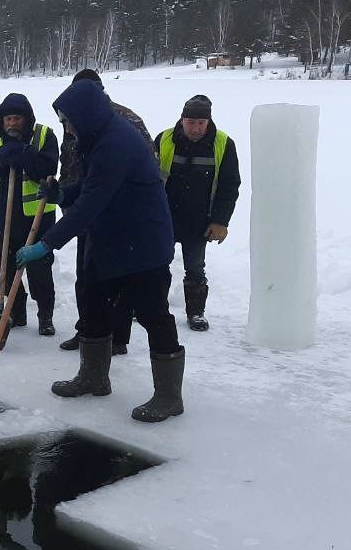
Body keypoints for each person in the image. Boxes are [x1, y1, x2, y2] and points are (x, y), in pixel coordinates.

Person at [16, 80, 185, 423]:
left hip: (143, 242)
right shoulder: (96, 138)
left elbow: (94, 201)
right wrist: (65, 194)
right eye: (63, 121)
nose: (67, 127)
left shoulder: (117, 142)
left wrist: (46, 244)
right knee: (91, 297)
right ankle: (94, 377)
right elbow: (91, 186)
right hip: (110, 236)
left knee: (153, 313)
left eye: (69, 119)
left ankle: (169, 396)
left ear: (87, 114)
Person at [57, 69, 154, 355]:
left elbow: (146, 164)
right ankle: (88, 329)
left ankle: (117, 338)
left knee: (116, 279)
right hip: (82, 208)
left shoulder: (124, 122)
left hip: (114, 215)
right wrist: (64, 194)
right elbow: (71, 162)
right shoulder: (73, 118)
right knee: (85, 276)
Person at [0, 93, 60, 335]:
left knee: (39, 268)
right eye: (8, 119)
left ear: (26, 119)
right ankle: (15, 311)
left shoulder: (43, 135)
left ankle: (45, 316)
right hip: (3, 216)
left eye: (17, 119)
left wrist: (25, 155)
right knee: (7, 267)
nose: (12, 124)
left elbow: (49, 168)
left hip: (36, 218)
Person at [155, 95, 241, 331]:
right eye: (191, 122)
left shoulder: (223, 143)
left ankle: (196, 312)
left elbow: (229, 186)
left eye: (201, 123)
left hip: (199, 219)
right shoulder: (164, 139)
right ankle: (153, 306)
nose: (196, 128)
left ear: (209, 122)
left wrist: (220, 221)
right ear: (182, 120)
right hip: (165, 217)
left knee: (195, 267)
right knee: (157, 264)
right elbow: (148, 180)